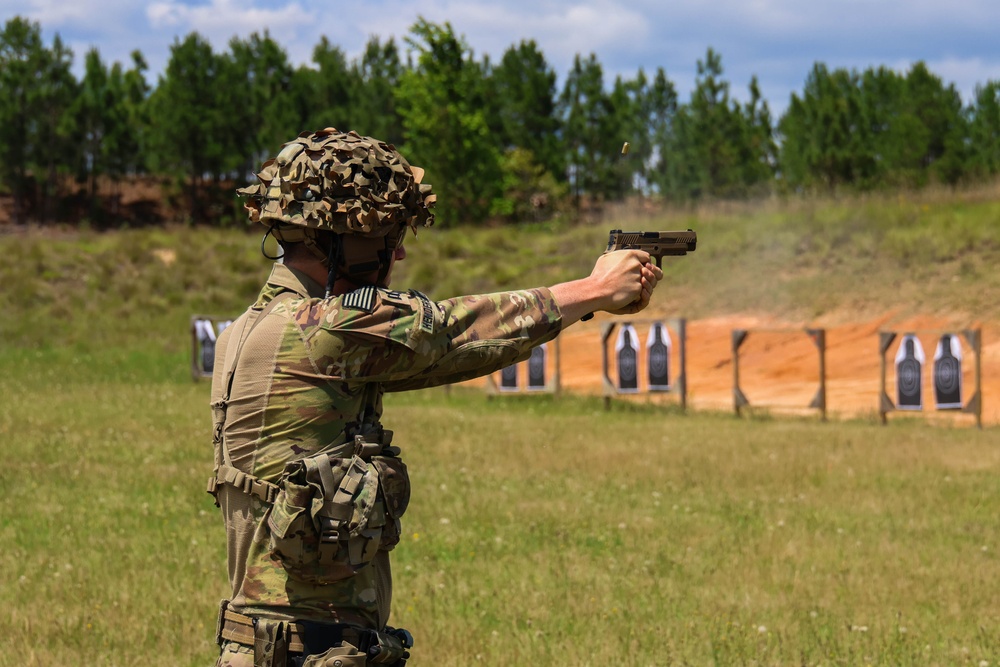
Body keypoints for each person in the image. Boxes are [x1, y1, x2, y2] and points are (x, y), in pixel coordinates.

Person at [207, 128, 662, 667]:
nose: (397, 251)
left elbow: (449, 355)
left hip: (279, 644)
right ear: (338, 237)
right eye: (387, 235)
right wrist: (593, 290)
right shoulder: (323, 328)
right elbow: (450, 333)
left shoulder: (249, 328)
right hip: (309, 649)